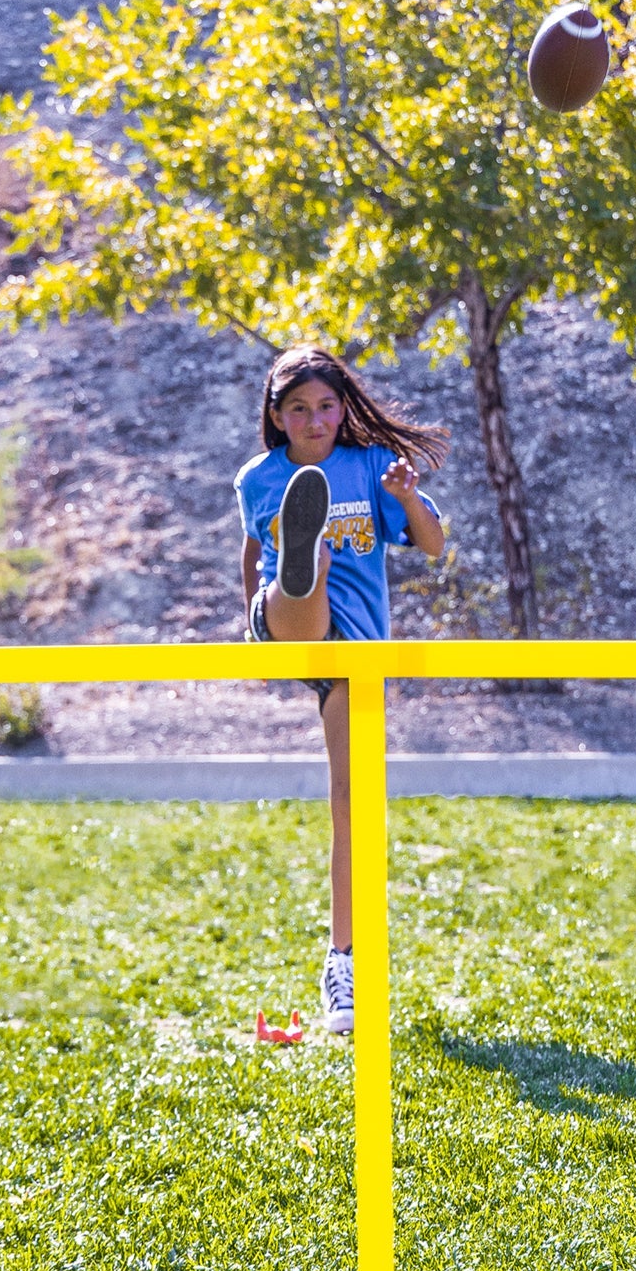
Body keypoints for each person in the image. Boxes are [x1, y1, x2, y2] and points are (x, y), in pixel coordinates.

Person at [237, 345, 448, 1034]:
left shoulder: (369, 467)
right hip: (289, 625)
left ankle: (344, 962)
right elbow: (250, 547)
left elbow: (433, 545)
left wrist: (406, 497)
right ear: (277, 416)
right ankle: (304, 571)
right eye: (299, 409)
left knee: (349, 802)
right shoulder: (257, 479)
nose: (315, 420)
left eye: (326, 406)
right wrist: (250, 634)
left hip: (356, 654)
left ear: (342, 408)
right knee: (305, 582)